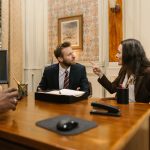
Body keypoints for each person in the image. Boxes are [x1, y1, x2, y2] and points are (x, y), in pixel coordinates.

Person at [91, 39, 150, 103]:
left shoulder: (147, 73)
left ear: (129, 54)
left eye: (119, 52)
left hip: (139, 111)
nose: (116, 55)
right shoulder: (124, 69)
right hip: (120, 108)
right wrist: (100, 74)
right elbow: (112, 88)